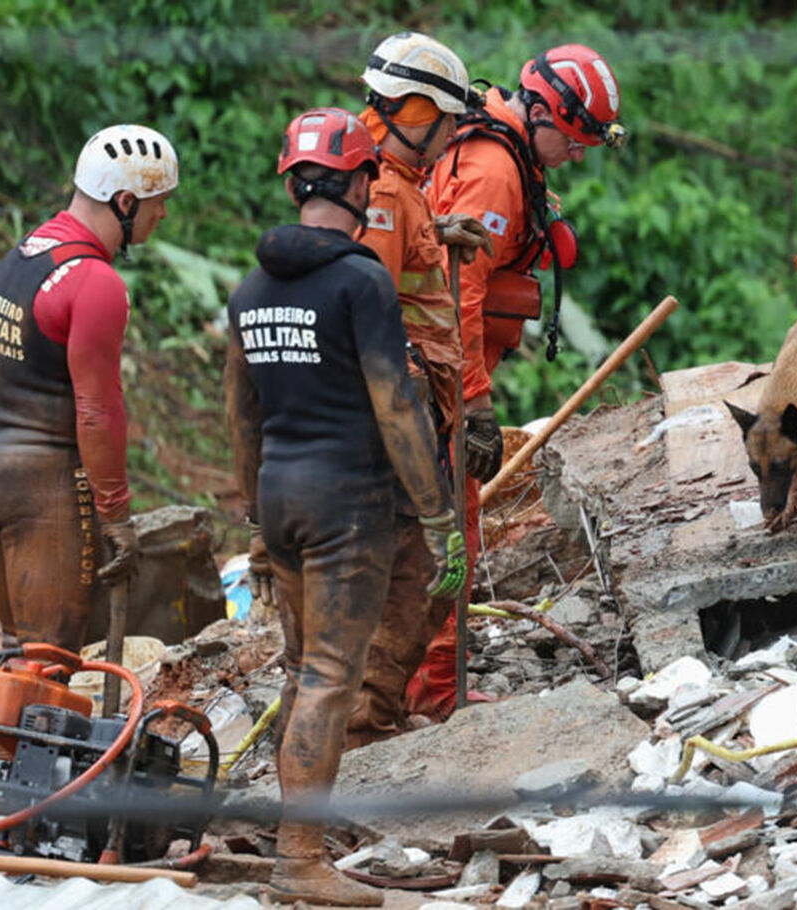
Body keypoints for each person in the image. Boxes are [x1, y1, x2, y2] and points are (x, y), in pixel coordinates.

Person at [225, 107, 463, 906]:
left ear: (295, 185)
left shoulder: (249, 290)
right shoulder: (362, 279)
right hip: (346, 506)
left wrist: (256, 518)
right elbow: (398, 408)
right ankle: (300, 860)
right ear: (361, 182)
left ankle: (290, 831)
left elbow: (241, 418)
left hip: (281, 498)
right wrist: (435, 511)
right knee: (331, 677)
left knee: (301, 671)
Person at [411, 44, 626, 718]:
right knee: (454, 529)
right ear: (540, 113)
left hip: (428, 369)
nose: (579, 154)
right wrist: (472, 403)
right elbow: (460, 296)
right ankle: (436, 692)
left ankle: (416, 682)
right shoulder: (496, 171)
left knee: (437, 527)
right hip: (434, 377)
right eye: (576, 138)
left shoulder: (498, 150)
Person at [343, 32, 492, 748]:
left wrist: (438, 229)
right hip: (398, 415)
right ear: (414, 110)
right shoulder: (382, 195)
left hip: (413, 409)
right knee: (424, 566)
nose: (452, 138)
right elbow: (372, 313)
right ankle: (368, 719)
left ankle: (378, 710)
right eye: (447, 122)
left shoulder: (398, 188)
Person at [0, 124, 176, 650]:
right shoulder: (94, 283)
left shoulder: (22, 256)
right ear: (125, 201)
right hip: (44, 489)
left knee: (8, 651)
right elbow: (97, 412)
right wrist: (116, 515)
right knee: (45, 662)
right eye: (157, 203)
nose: (162, 215)